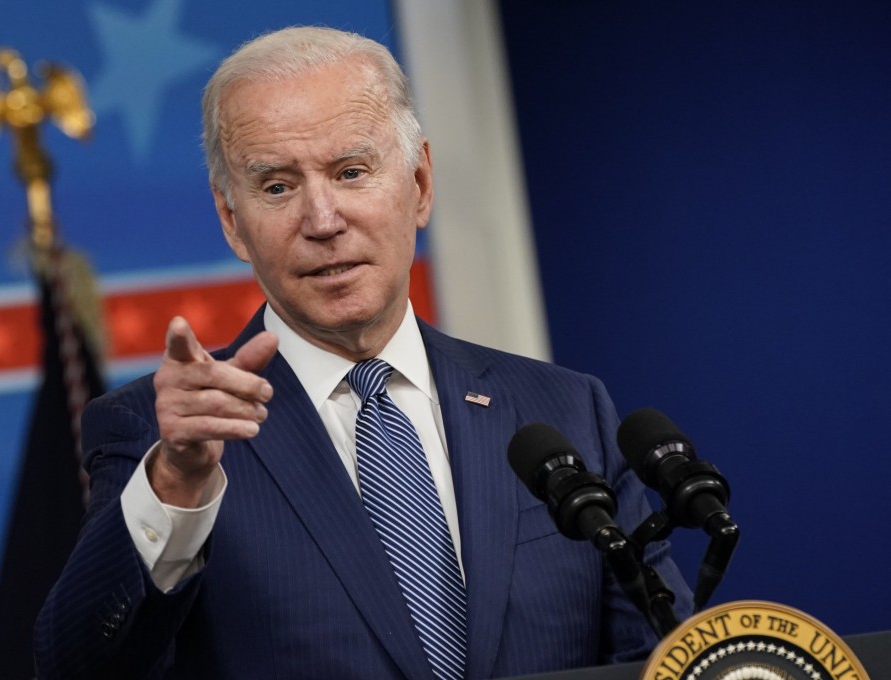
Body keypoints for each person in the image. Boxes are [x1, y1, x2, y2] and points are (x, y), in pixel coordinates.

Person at [34, 25, 692, 679]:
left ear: (421, 183)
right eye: (277, 187)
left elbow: (667, 658)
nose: (322, 220)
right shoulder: (165, 435)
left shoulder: (565, 411)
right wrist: (175, 484)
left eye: (351, 172)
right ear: (232, 220)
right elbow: (72, 669)